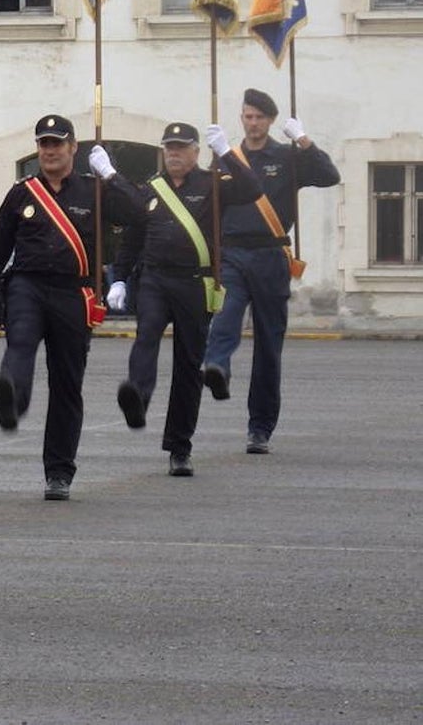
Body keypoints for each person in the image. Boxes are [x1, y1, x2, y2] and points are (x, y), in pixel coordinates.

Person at [0, 114, 140, 500]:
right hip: (27, 285)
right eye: (43, 143)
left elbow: (137, 214)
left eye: (57, 143)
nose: (49, 150)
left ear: (73, 148)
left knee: (67, 385)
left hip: (74, 294)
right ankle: (12, 398)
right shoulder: (23, 192)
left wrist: (112, 176)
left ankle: (59, 472)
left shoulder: (94, 190)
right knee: (21, 344)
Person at [106, 122, 261, 476]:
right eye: (169, 148)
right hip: (155, 279)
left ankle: (179, 447)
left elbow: (252, 189)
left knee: (188, 366)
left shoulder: (214, 185)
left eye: (181, 147)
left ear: (195, 152)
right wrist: (118, 278)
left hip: (195, 283)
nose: (174, 154)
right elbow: (132, 233)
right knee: (146, 335)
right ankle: (138, 395)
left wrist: (227, 152)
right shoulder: (150, 189)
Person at [201, 89, 341, 454]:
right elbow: (209, 204)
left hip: (270, 254)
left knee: (268, 345)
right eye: (247, 116)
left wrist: (304, 141)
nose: (252, 123)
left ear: (271, 121)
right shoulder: (227, 157)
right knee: (226, 314)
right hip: (232, 252)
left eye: (259, 117)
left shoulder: (287, 157)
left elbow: (329, 176)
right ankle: (216, 367)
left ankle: (259, 427)